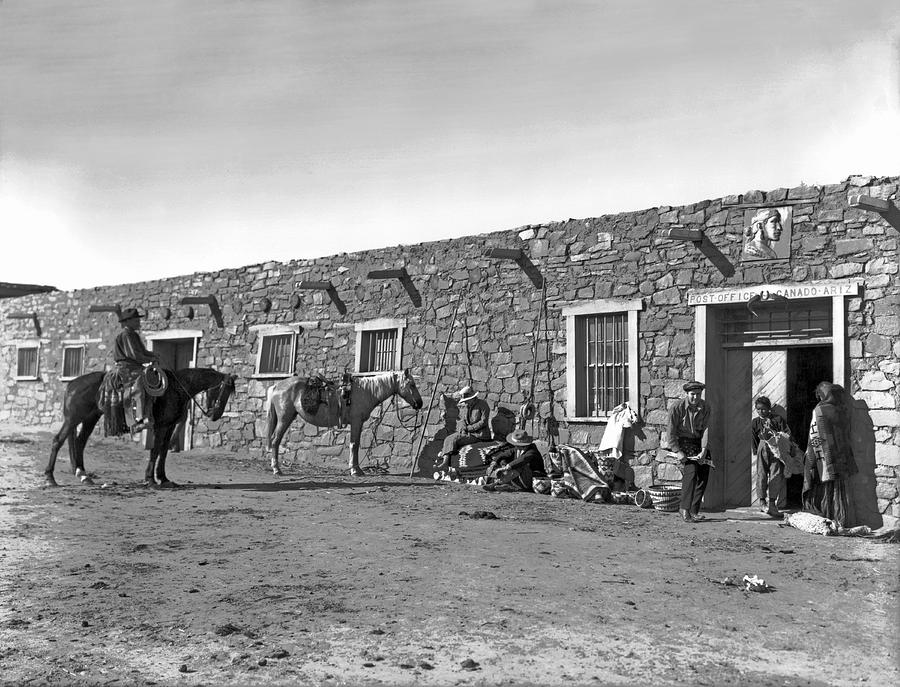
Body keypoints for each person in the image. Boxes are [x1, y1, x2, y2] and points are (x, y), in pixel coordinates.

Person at [803, 381, 857, 526]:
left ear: (822, 395)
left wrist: (810, 453)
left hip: (826, 456)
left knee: (825, 487)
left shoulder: (820, 410)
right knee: (841, 488)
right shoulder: (844, 409)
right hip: (843, 455)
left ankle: (827, 517)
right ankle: (842, 518)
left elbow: (815, 435)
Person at [666, 381, 713, 523]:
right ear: (687, 394)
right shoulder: (677, 407)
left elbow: (706, 429)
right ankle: (684, 508)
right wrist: (677, 451)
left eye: (698, 394)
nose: (695, 397)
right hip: (684, 441)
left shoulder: (705, 407)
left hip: (699, 442)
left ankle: (694, 510)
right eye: (693, 394)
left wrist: (704, 450)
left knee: (704, 475)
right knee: (691, 473)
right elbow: (671, 432)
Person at [112, 307, 159, 432]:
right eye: (136, 320)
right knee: (139, 384)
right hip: (127, 368)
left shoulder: (134, 335)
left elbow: (142, 352)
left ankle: (150, 414)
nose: (138, 322)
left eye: (138, 319)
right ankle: (137, 420)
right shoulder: (126, 335)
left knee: (153, 380)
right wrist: (148, 359)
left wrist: (153, 355)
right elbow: (133, 355)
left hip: (135, 366)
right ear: (127, 321)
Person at [434, 385, 491, 470]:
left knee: (454, 439)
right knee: (449, 438)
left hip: (479, 435)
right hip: (468, 432)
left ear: (472, 398)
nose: (466, 403)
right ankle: (445, 460)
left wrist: (469, 428)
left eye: (467, 400)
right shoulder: (467, 406)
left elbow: (483, 422)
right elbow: (463, 419)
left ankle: (446, 462)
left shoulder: (483, 405)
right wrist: (463, 427)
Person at [751, 396, 790, 519]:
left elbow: (786, 433)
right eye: (758, 409)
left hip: (776, 449)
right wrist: (756, 450)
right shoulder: (755, 422)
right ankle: (762, 502)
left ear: (769, 408)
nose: (761, 411)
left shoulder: (778, 419)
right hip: (762, 448)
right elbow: (754, 438)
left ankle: (772, 503)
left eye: (763, 409)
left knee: (776, 474)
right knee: (761, 474)